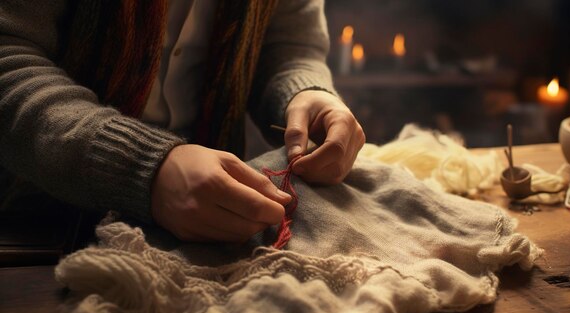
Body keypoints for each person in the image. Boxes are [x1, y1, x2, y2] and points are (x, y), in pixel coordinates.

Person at [0, 1, 365, 243]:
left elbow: (289, 46)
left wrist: (305, 93)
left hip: (212, 223)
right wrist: (144, 167)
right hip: (33, 222)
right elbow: (8, 54)